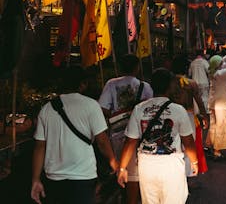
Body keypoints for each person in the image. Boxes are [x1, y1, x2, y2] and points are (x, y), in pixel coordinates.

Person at [31, 66, 118, 204]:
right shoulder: (91, 105)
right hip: (83, 176)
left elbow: (39, 147)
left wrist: (35, 179)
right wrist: (114, 163)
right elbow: (102, 141)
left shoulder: (46, 109)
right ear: (82, 84)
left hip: (54, 177)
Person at [117, 68, 198, 204]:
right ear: (170, 86)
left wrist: (122, 168)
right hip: (171, 166)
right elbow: (188, 141)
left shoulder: (139, 108)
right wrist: (194, 162)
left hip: (147, 166)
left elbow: (130, 141)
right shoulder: (178, 110)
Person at [98, 54, 153, 204]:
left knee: (123, 169)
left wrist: (117, 114)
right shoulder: (145, 86)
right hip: (140, 135)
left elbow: (102, 108)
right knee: (137, 171)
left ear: (120, 68)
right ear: (137, 68)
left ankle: (125, 196)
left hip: (118, 134)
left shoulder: (111, 84)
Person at [171, 56, 209, 176]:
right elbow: (199, 102)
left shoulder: (170, 83)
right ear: (186, 68)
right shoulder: (191, 83)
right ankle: (188, 172)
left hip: (172, 115)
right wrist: (205, 117)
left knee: (175, 144)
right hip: (188, 116)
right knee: (189, 144)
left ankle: (177, 173)